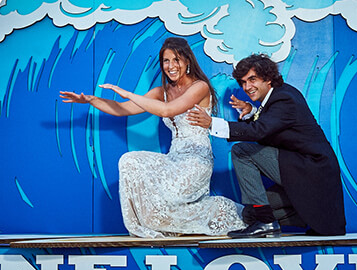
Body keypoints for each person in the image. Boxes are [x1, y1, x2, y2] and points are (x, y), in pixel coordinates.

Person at [59, 37, 246, 238]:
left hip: (196, 160)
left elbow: (167, 111)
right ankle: (170, 226)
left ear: (187, 61)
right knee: (129, 161)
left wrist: (128, 93)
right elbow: (122, 110)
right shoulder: (161, 92)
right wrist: (91, 100)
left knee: (171, 198)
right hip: (174, 158)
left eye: (176, 60)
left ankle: (232, 214)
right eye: (166, 61)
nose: (171, 66)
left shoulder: (200, 87)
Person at [188, 53, 346, 238]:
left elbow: (260, 131)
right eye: (243, 82)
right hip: (300, 171)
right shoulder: (278, 97)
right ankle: (281, 218)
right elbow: (272, 127)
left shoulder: (284, 98)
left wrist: (212, 124)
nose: (247, 87)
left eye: (252, 79)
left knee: (242, 151)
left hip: (312, 170)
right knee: (249, 214)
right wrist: (252, 112)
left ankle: (266, 222)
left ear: (268, 78)